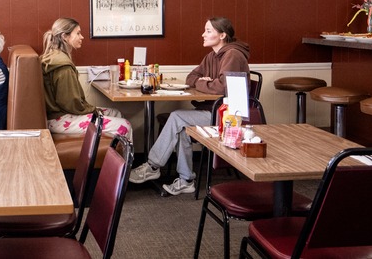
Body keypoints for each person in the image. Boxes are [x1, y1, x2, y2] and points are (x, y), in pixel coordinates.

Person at [129, 17, 250, 196]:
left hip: (229, 117)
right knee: (183, 129)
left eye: (208, 31)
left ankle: (153, 166)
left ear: (222, 35)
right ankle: (186, 180)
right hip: (213, 110)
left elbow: (222, 88)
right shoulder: (211, 56)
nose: (203, 34)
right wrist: (205, 82)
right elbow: (191, 77)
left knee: (177, 116)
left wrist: (202, 83)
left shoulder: (233, 55)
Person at [40, 17, 132, 139]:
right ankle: (123, 152)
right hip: (60, 119)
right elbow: (70, 104)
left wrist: (91, 109)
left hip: (56, 115)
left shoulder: (53, 57)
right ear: (64, 36)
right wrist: (93, 109)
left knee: (116, 113)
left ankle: (109, 150)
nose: (82, 37)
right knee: (125, 125)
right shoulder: (63, 66)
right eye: (78, 33)